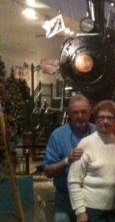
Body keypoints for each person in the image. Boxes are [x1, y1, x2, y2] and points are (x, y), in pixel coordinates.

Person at [68, 100, 115, 222]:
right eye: (101, 117)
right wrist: (80, 212)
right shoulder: (86, 143)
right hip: (91, 211)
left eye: (110, 118)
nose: (105, 121)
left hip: (114, 209)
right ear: (95, 119)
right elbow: (73, 180)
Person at [44, 94, 96, 222]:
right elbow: (48, 171)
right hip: (64, 199)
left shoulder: (99, 133)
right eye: (75, 112)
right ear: (69, 114)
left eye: (84, 111)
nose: (80, 116)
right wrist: (67, 161)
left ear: (90, 112)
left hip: (92, 199)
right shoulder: (57, 136)